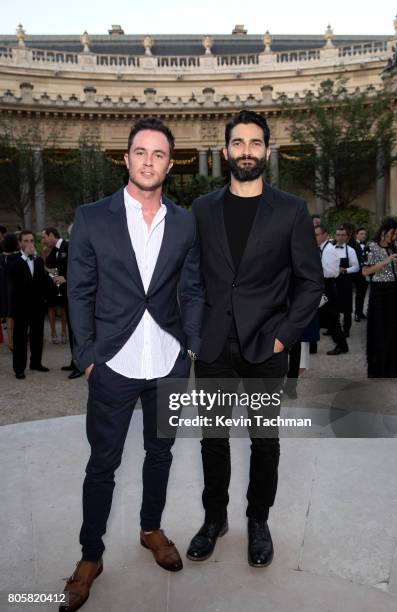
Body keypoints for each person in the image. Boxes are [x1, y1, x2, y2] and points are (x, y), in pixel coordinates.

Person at [60, 117, 204, 612]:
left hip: (168, 361)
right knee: (103, 464)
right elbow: (78, 291)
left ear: (170, 162)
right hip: (113, 364)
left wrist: (193, 346)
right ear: (126, 159)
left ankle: (150, 528)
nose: (149, 161)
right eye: (140, 152)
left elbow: (193, 288)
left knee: (160, 455)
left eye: (159, 154)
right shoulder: (93, 216)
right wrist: (87, 359)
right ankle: (90, 555)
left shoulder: (184, 222)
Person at [187, 110, 323, 568]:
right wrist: (192, 332)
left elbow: (310, 282)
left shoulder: (291, 209)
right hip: (212, 348)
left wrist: (284, 338)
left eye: (255, 143)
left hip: (267, 348)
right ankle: (214, 519)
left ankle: (258, 521)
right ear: (225, 151)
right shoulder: (202, 210)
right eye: (239, 143)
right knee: (212, 440)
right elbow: (190, 279)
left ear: (268, 150)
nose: (247, 151)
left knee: (265, 441)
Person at [362, 217, 397, 377]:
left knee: (395, 329)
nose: (394, 237)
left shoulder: (392, 246)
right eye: (392, 233)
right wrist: (386, 261)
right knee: (380, 330)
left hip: (395, 290)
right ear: (384, 231)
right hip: (380, 292)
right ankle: (378, 367)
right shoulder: (371, 247)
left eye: (396, 234)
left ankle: (392, 366)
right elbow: (366, 271)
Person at [8, 230, 49, 379]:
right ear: (20, 243)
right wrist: (25, 256)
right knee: (20, 338)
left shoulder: (38, 260)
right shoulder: (13, 259)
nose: (30, 244)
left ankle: (36, 363)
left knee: (37, 335)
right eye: (26, 241)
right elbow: (11, 275)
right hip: (20, 307)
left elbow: (42, 282)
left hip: (37, 306)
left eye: (31, 241)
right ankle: (19, 368)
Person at [41, 227, 81, 378]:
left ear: (52, 235)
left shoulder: (68, 246)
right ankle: (74, 361)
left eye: (44, 237)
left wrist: (67, 278)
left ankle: (80, 365)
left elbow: (79, 268)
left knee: (76, 331)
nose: (43, 240)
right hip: (64, 295)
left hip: (74, 295)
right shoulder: (53, 250)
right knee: (72, 330)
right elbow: (54, 267)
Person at [315, 224, 349, 355]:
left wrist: (316, 269)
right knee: (325, 317)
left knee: (333, 318)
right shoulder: (321, 249)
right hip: (322, 286)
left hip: (328, 286)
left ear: (325, 235)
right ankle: (313, 345)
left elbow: (333, 272)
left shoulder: (329, 250)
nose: (315, 237)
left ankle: (341, 345)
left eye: (317, 234)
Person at [332, 226, 359, 337]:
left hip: (345, 281)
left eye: (343, 235)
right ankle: (333, 327)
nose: (340, 237)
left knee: (347, 307)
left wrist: (346, 270)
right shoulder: (331, 249)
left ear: (347, 237)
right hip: (333, 281)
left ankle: (346, 329)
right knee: (333, 306)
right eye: (338, 235)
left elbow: (356, 267)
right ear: (335, 236)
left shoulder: (351, 250)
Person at [0, 232, 20, 351]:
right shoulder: (18, 257)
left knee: (7, 315)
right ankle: (13, 342)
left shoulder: (1, 257)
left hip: (3, 289)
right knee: (13, 316)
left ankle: (11, 342)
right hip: (14, 289)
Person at [353, 227, 369, 321]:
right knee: (358, 294)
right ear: (357, 235)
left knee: (363, 293)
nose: (364, 235)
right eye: (361, 233)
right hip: (357, 274)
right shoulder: (353, 245)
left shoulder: (367, 245)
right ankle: (356, 314)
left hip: (366, 273)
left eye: (365, 234)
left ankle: (360, 312)